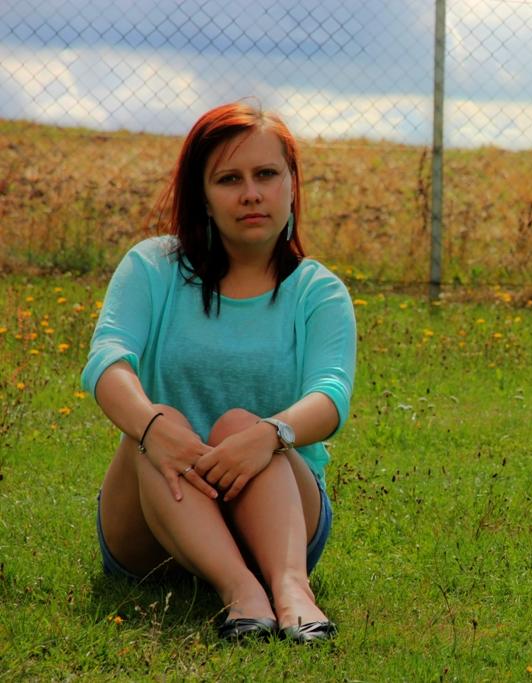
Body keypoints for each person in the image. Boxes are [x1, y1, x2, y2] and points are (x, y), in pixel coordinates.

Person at [81, 101, 356, 643]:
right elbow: (107, 361)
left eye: (266, 174)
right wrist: (154, 430)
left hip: (278, 518)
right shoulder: (151, 267)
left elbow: (331, 395)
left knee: (238, 425)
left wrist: (267, 436)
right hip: (156, 511)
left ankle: (291, 588)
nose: (251, 193)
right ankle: (241, 592)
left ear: (292, 185)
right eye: (229, 179)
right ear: (202, 196)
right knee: (157, 419)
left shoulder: (318, 291)